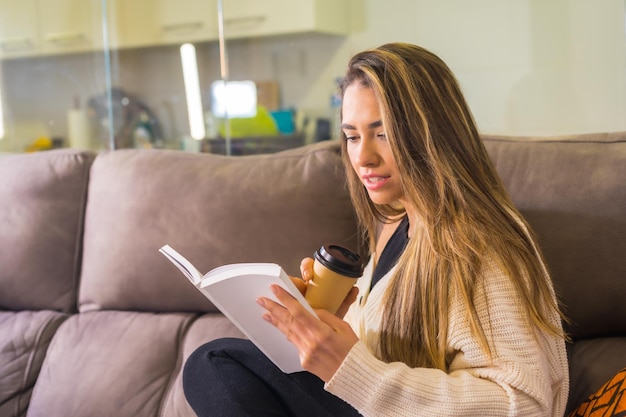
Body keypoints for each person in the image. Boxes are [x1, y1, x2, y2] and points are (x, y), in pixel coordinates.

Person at [183, 42, 569, 417]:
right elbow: (378, 352)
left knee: (216, 363)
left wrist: (350, 371)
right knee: (215, 368)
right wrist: (322, 323)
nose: (362, 157)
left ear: (432, 132)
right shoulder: (397, 224)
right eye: (352, 136)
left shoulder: (477, 245)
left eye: (382, 134)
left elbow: (525, 405)